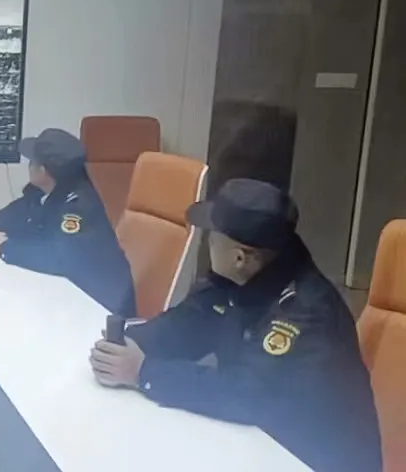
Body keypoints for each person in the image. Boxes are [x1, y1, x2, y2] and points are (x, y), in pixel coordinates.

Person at [89, 179, 382, 471]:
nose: (207, 243)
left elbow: (246, 393)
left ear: (240, 257)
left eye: (212, 237)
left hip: (309, 459)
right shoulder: (245, 275)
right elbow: (189, 322)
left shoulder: (305, 312)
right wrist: (132, 343)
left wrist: (144, 372)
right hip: (257, 443)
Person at [0, 128, 135, 316]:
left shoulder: (78, 207)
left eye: (32, 162)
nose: (29, 167)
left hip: (99, 307)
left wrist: (6, 248)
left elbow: (61, 259)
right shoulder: (41, 194)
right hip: (64, 296)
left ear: (43, 171)